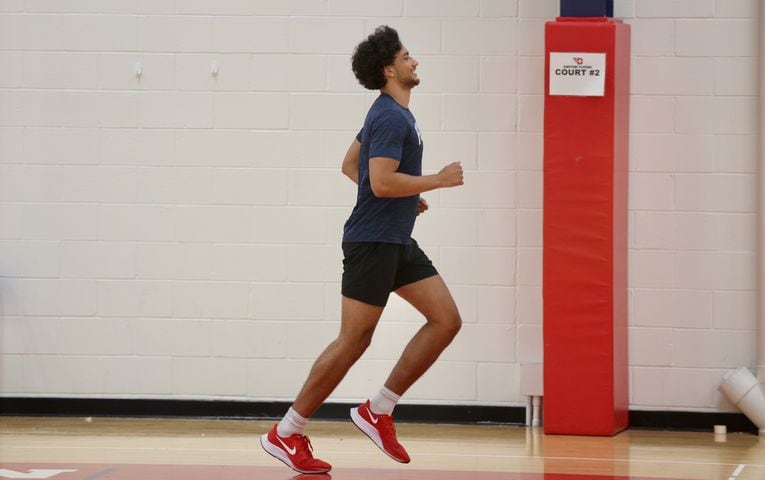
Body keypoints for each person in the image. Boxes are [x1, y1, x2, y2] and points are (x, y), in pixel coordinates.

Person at [260, 25, 464, 474]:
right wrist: (435, 180)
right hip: (372, 241)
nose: (416, 62)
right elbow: (382, 179)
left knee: (446, 320)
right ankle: (287, 432)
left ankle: (379, 409)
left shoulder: (388, 111)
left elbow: (351, 166)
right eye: (408, 56)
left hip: (395, 239)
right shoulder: (391, 116)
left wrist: (408, 195)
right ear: (389, 69)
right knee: (354, 340)